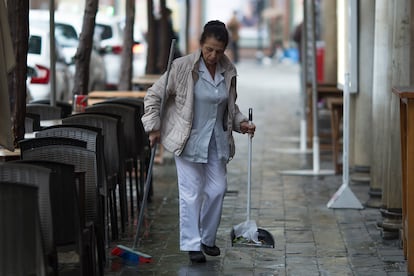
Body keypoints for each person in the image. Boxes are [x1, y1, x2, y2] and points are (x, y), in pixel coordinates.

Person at [141, 20, 256, 263]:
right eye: (209, 49)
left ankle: (206, 238)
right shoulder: (182, 67)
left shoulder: (228, 69)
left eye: (219, 50)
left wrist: (242, 123)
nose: (213, 56)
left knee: (217, 189)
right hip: (187, 139)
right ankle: (193, 244)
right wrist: (153, 128)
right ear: (201, 44)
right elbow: (153, 95)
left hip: (216, 140)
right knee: (191, 193)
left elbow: (229, 107)